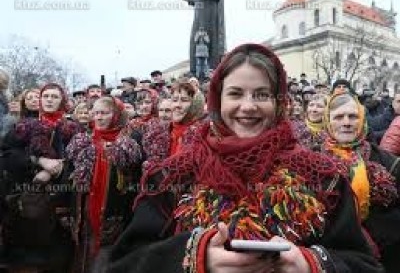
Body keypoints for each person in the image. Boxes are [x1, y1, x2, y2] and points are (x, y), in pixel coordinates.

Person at [107, 44, 384, 273]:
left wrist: (312, 264)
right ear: (216, 101)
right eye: (235, 93)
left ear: (279, 102)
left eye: (262, 94)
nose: (248, 106)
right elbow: (123, 264)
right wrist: (194, 257)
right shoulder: (173, 176)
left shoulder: (324, 178)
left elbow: (365, 264)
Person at [1, 83, 81, 272]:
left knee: (56, 254)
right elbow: (7, 155)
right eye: (46, 97)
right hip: (28, 194)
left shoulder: (73, 128)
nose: (50, 100)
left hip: (61, 195)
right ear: (40, 100)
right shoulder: (24, 127)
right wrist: (39, 161)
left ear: (62, 100)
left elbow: (79, 159)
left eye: (55, 97)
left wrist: (59, 167)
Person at [321, 90, 400, 273]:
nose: (346, 122)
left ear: (362, 120)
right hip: (333, 260)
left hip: (384, 258)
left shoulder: (388, 162)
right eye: (339, 117)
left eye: (353, 116)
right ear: (328, 121)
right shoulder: (312, 161)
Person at [66, 96, 143, 272]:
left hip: (114, 220)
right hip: (84, 217)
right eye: (96, 113)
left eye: (105, 113)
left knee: (105, 263)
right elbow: (70, 181)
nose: (99, 117)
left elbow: (134, 185)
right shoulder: (82, 142)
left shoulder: (128, 147)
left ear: (116, 116)